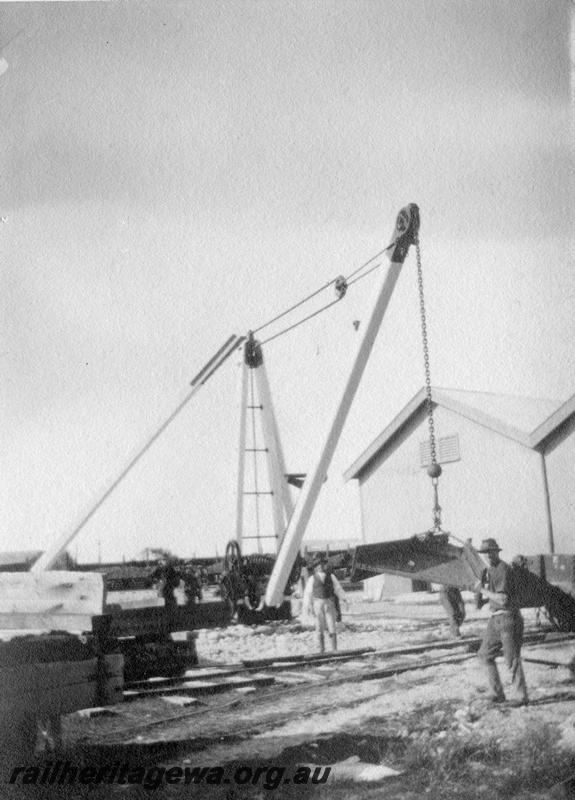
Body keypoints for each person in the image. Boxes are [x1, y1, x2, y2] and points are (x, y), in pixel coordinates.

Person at [474, 538, 529, 706]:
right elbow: (493, 599)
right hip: (496, 618)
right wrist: (481, 599)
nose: (487, 556)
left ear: (496, 552)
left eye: (490, 552)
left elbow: (503, 599)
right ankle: (496, 693)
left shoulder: (503, 569)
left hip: (508, 618)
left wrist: (481, 590)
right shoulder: (489, 570)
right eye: (484, 553)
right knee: (484, 655)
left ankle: (521, 697)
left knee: (511, 659)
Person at [303, 558, 348, 653]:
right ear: (315, 567)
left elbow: (338, 588)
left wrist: (344, 599)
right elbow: (308, 593)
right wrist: (306, 607)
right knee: (319, 626)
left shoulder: (331, 577)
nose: (320, 567)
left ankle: (334, 648)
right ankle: (321, 649)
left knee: (332, 625)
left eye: (322, 564)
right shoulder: (312, 579)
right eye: (318, 565)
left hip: (329, 602)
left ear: (325, 565)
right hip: (318, 603)